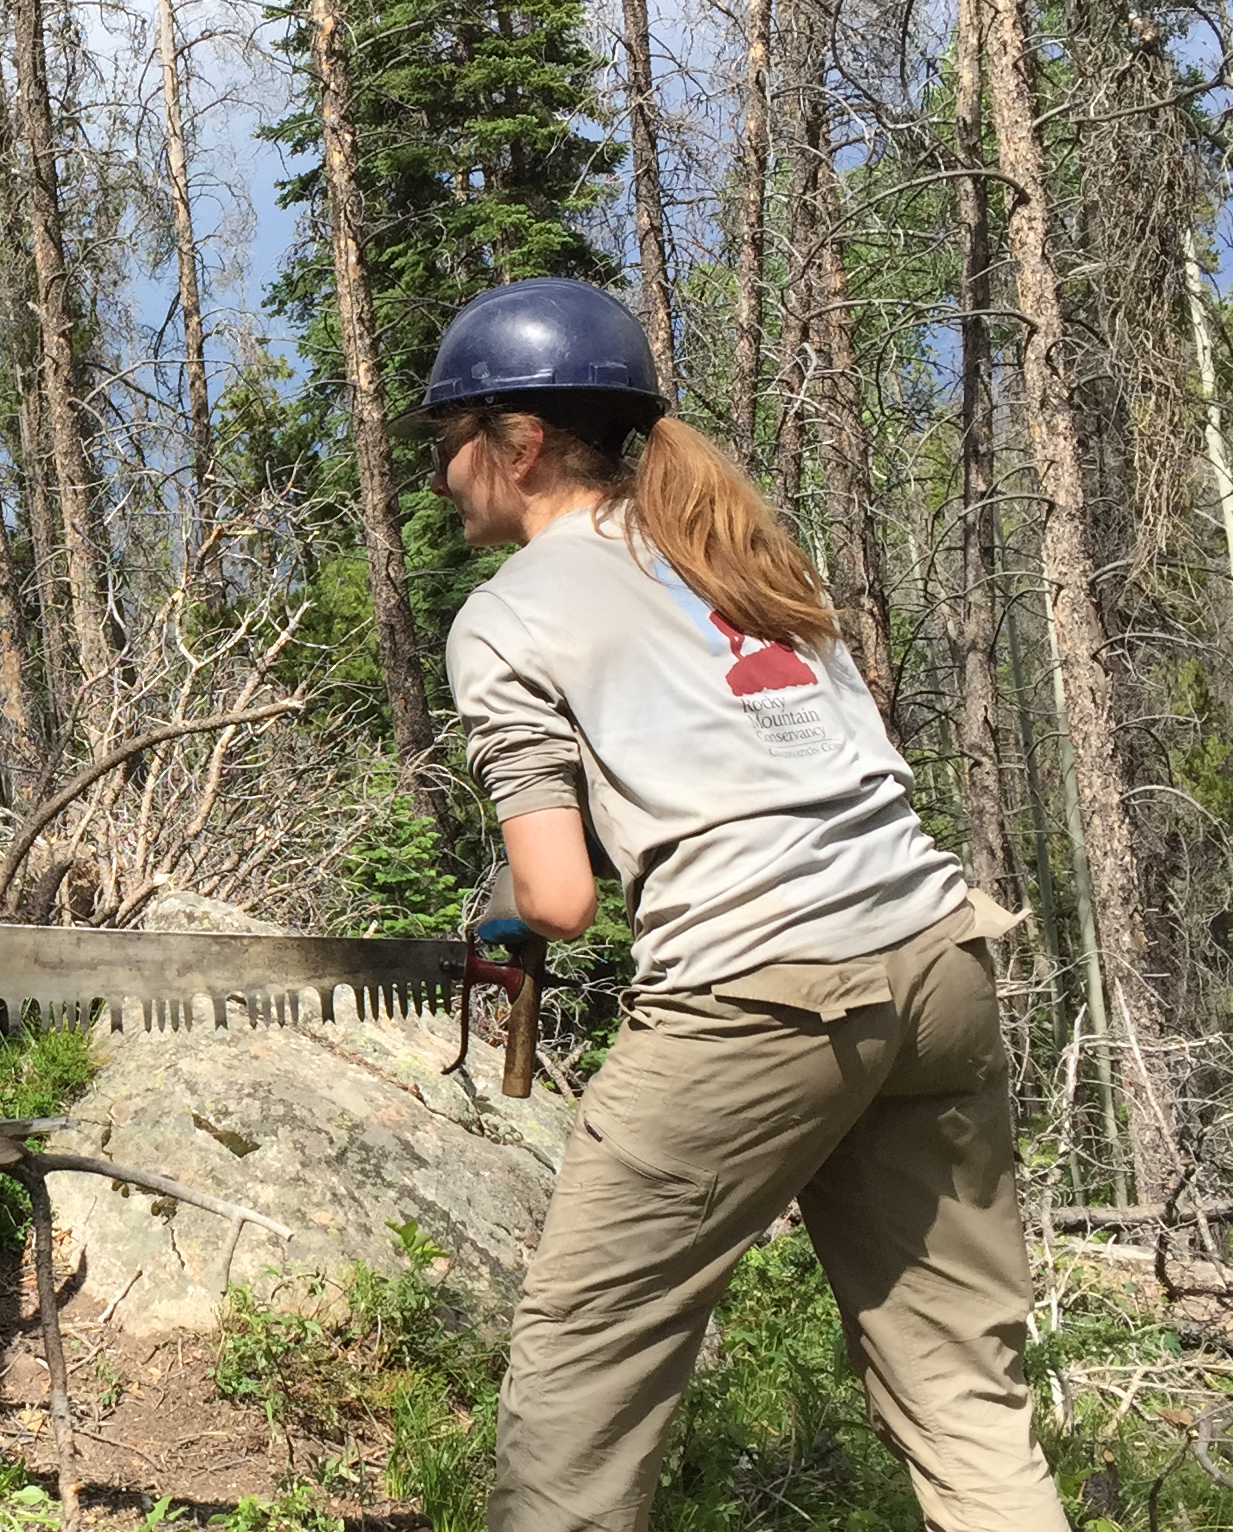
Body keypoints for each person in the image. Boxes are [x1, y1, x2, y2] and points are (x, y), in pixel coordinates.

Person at [416, 278, 1062, 1531]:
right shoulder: (734, 559)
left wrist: (502, 925)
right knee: (959, 1391)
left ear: (521, 442)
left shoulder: (505, 614)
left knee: (580, 1368)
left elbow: (556, 895)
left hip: (762, 991)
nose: (443, 476)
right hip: (938, 961)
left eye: (448, 444)